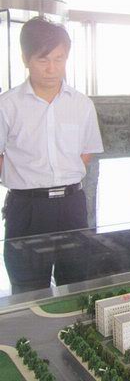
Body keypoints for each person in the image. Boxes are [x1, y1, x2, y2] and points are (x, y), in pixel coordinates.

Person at [0, 16, 103, 293]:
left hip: (72, 205)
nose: (51, 68)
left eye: (59, 59)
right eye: (43, 59)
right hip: (27, 208)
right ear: (25, 58)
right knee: (29, 290)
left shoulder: (81, 104)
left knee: (76, 284)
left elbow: (86, 152)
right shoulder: (7, 106)